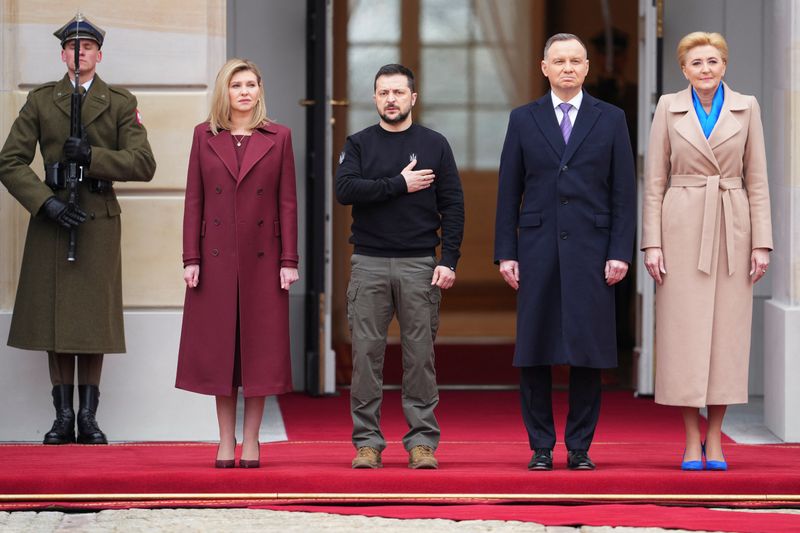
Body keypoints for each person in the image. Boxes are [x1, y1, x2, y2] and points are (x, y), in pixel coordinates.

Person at [0, 14, 156, 444]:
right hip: (53, 218)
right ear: (62, 54)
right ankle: (62, 415)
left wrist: (93, 156)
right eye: (72, 47)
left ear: (98, 54)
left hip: (96, 220)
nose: (79, 53)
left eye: (87, 46)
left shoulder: (120, 102)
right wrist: (45, 202)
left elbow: (144, 164)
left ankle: (88, 417)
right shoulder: (40, 101)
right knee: (55, 319)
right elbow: (9, 161)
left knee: (92, 321)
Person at [494, 33, 636, 471]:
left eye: (576, 61)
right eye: (560, 61)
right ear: (544, 68)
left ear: (588, 68)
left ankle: (579, 448)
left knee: (588, 350)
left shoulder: (611, 119)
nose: (568, 68)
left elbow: (624, 193)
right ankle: (540, 446)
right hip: (536, 247)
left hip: (593, 251)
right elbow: (508, 190)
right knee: (534, 349)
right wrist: (506, 252)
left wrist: (620, 251)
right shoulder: (523, 119)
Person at [642, 32, 772, 471]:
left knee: (726, 339)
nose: (706, 69)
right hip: (681, 228)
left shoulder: (747, 106)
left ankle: (715, 439)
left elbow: (757, 179)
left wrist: (761, 243)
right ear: (684, 69)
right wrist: (652, 242)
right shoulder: (667, 107)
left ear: (725, 65)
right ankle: (690, 438)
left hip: (733, 227)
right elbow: (655, 180)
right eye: (697, 62)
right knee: (684, 338)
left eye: (713, 61)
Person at [336, 63, 465, 470]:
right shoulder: (358, 144)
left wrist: (449, 260)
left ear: (413, 97)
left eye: (398, 92)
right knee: (365, 357)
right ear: (375, 98)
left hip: (420, 264)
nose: (391, 99)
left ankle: (422, 442)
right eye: (383, 92)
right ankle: (367, 443)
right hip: (369, 263)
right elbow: (345, 190)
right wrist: (399, 184)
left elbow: (453, 205)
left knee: (420, 357)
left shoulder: (435, 144)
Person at [175, 58, 299, 469]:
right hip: (215, 262)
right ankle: (225, 440)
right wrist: (190, 257)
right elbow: (194, 201)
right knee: (220, 355)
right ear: (224, 92)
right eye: (236, 85)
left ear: (260, 90)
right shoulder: (203, 136)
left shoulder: (279, 137)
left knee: (259, 354)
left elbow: (287, 203)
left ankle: (252, 440)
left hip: (264, 259)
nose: (244, 91)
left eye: (251, 84)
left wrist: (289, 260)